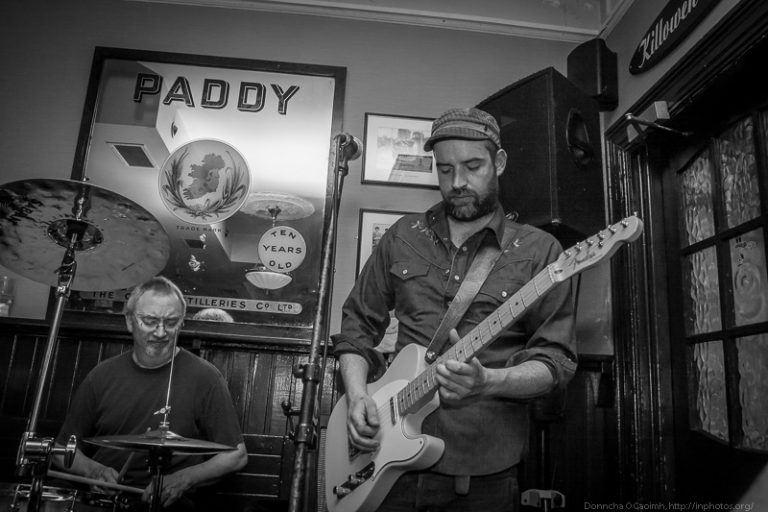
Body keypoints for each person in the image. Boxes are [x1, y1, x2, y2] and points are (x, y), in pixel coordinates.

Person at [332, 107, 577, 512]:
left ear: (498, 162)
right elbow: (356, 326)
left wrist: (489, 381)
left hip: (480, 474)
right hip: (382, 463)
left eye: (473, 166)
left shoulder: (540, 251)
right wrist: (358, 396)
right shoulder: (403, 236)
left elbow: (556, 362)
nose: (458, 182)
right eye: (445, 170)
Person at [54, 276, 248, 510]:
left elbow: (236, 456)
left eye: (171, 322)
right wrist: (94, 471)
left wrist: (183, 479)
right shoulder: (101, 376)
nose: (160, 332)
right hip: (103, 503)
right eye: (150, 320)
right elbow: (62, 450)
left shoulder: (206, 378)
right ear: (129, 321)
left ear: (181, 323)